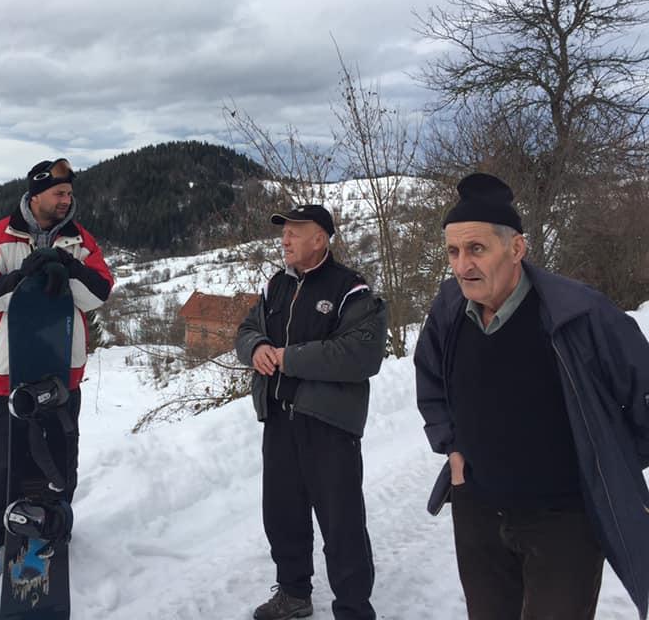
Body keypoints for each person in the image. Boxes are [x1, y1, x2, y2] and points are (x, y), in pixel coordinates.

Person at [415, 172, 649, 619]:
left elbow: (643, 392)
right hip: (479, 513)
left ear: (516, 248)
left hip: (564, 522)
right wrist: (452, 446)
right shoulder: (449, 307)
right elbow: (430, 379)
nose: (463, 265)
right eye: (453, 251)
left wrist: (607, 464)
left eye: (476, 249)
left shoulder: (578, 314)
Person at [0, 158, 113, 583]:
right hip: (7, 372)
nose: (67, 201)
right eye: (59, 194)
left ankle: (54, 527)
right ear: (36, 194)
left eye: (70, 194)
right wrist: (22, 279)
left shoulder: (80, 240)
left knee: (59, 457)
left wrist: (70, 267)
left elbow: (98, 294)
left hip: (61, 370)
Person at [236, 204, 387, 620]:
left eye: (294, 232)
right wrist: (257, 349)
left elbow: (359, 355)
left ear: (320, 238)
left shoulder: (351, 290)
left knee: (341, 523)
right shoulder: (276, 286)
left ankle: (354, 608)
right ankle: (293, 593)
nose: (284, 240)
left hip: (328, 425)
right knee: (282, 514)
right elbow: (246, 330)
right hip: (280, 419)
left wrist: (287, 358)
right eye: (283, 232)